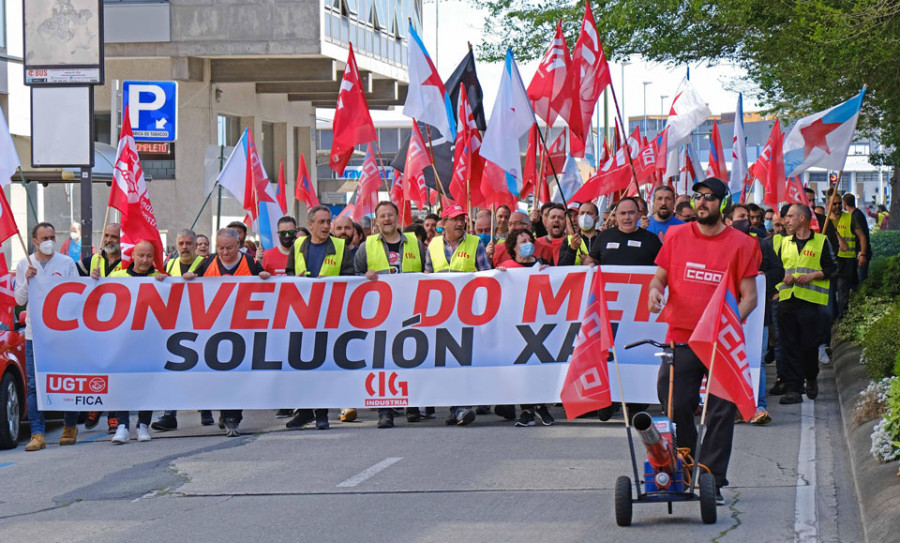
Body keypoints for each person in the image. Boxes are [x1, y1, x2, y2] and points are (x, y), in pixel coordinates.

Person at [648, 177, 761, 505]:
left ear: (722, 204)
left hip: (719, 344)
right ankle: (686, 466)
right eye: (698, 197)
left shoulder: (742, 244)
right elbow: (660, 277)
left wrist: (724, 328)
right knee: (676, 405)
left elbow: (750, 297)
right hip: (681, 337)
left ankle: (711, 479)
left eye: (710, 198)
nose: (701, 202)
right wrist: (655, 291)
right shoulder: (676, 235)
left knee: (721, 411)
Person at [184, 228, 271, 437]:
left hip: (243, 329)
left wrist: (263, 277)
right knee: (220, 374)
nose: (224, 252)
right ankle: (224, 411)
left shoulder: (249, 263)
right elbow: (191, 279)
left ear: (239, 245)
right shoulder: (207, 262)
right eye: (220, 248)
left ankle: (233, 418)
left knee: (237, 374)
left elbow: (264, 282)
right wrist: (189, 276)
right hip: (214, 330)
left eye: (229, 248)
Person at [584, 197, 662, 421]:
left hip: (640, 313)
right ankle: (607, 400)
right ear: (615, 216)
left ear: (639, 215)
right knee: (609, 353)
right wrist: (589, 264)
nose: (627, 217)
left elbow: (662, 269)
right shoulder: (604, 237)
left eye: (631, 213)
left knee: (636, 351)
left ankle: (637, 401)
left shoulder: (650, 240)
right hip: (610, 310)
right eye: (622, 213)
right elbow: (592, 258)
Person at [354, 201, 426, 428]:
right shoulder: (367, 246)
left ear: (398, 218)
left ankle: (412, 405)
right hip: (380, 314)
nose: (387, 219)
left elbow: (425, 273)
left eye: (390, 215)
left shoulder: (416, 244)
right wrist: (365, 275)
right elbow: (354, 278)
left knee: (412, 357)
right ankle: (385, 411)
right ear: (376, 220)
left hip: (410, 311)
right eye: (382, 216)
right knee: (383, 361)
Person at [284, 205, 354, 430]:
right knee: (301, 364)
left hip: (330, 315)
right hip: (303, 315)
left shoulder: (341, 247)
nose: (326, 226)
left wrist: (332, 282)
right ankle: (304, 412)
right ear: (311, 224)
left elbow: (351, 278)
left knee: (322, 364)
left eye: (328, 222)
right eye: (321, 222)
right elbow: (288, 274)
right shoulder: (298, 245)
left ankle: (322, 413)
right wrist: (297, 279)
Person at [425, 203, 491, 426]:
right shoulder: (433, 246)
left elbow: (487, 276)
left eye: (462, 219)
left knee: (464, 360)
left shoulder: (475, 244)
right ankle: (456, 408)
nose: (460, 223)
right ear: (444, 224)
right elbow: (426, 278)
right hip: (441, 315)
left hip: (467, 313)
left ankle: (461, 406)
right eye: (455, 219)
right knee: (448, 362)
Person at [17, 222, 81, 451]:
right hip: (36, 334)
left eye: (52, 237)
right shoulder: (25, 262)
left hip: (63, 333)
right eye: (44, 238)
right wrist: (27, 279)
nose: (49, 242)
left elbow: (77, 296)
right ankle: (37, 433)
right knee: (35, 385)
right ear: (34, 241)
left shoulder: (66, 263)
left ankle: (70, 426)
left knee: (67, 380)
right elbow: (19, 300)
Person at [151, 229, 214, 432]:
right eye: (181, 243)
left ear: (196, 245)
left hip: (201, 323)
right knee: (173, 370)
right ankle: (170, 415)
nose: (184, 247)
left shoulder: (207, 264)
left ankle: (206, 409)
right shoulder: (169, 265)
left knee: (203, 369)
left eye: (188, 243)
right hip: (175, 324)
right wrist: (159, 279)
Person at [108, 240, 167, 444]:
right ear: (132, 256)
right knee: (121, 383)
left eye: (149, 256)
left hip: (149, 342)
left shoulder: (161, 279)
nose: (144, 260)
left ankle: (143, 425)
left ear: (154, 258)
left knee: (146, 384)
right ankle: (122, 425)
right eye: (140, 255)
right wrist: (95, 280)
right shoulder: (116, 277)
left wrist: (165, 283)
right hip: (122, 342)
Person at [777, 204, 836, 404]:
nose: (786, 220)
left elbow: (831, 268)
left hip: (810, 303)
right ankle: (793, 389)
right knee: (789, 345)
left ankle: (811, 376)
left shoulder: (821, 241)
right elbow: (777, 269)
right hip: (787, 301)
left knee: (809, 346)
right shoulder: (784, 243)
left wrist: (812, 276)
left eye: (790, 217)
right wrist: (780, 281)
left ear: (802, 218)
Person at [77, 223, 124, 434]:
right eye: (106, 235)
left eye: (114, 236)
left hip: (121, 324)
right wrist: (88, 279)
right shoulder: (90, 261)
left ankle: (113, 415)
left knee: (116, 371)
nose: (109, 239)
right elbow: (69, 284)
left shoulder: (129, 261)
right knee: (97, 368)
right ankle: (96, 405)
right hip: (95, 324)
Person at [822, 190, 867, 319]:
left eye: (838, 204)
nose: (837, 207)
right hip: (829, 262)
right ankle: (834, 317)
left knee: (843, 292)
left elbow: (862, 236)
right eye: (834, 204)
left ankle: (843, 318)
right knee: (830, 293)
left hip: (846, 261)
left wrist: (862, 254)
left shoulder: (849, 218)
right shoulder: (824, 222)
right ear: (828, 206)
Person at [842, 193, 872, 283]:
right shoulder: (857, 214)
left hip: (860, 253)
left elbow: (863, 236)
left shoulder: (855, 216)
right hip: (857, 253)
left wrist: (862, 253)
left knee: (861, 280)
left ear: (844, 203)